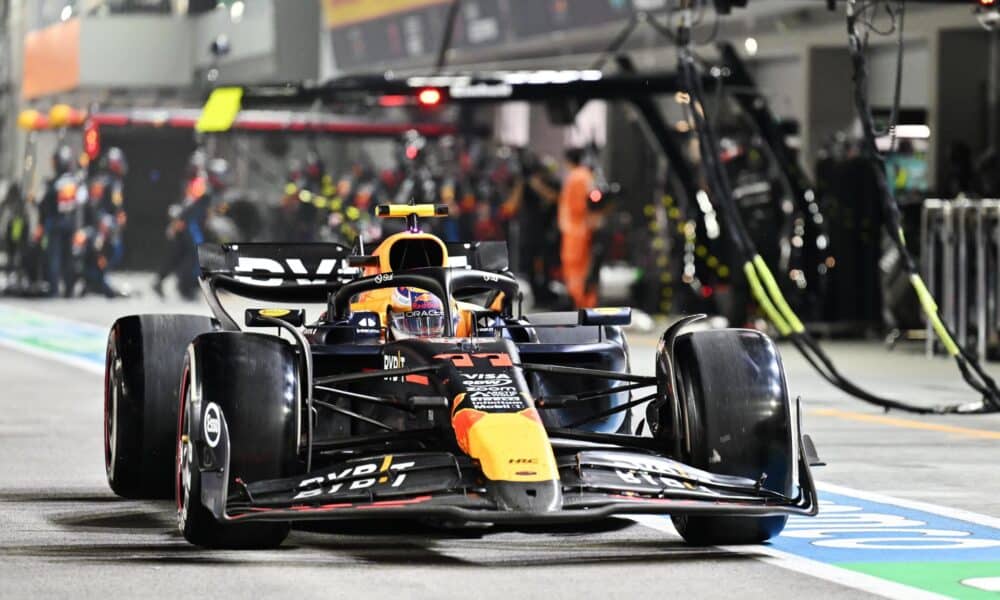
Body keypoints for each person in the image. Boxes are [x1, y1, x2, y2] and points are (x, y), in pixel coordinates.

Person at [39, 145, 85, 297]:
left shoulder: (54, 183)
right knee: (68, 257)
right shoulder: (74, 182)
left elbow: (44, 204)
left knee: (55, 257)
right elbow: (82, 202)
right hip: (70, 223)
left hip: (56, 223)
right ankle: (69, 290)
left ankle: (54, 289)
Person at [81, 147, 127, 297]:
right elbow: (94, 205)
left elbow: (116, 204)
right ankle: (94, 282)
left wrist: (119, 216)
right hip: (101, 225)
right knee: (99, 252)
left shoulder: (116, 182)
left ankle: (98, 281)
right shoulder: (100, 182)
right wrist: (102, 221)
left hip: (111, 225)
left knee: (113, 252)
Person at [557, 147, 597, 308]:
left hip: (575, 230)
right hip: (581, 228)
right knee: (583, 268)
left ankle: (579, 302)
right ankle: (584, 302)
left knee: (575, 268)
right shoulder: (586, 175)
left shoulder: (576, 177)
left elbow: (577, 206)